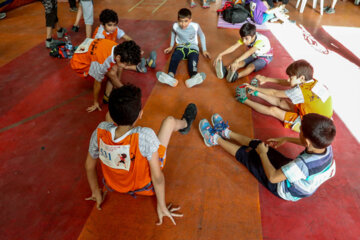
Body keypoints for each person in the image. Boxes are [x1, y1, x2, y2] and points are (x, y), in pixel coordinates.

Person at [85, 84, 198, 224]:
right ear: (140, 114)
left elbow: (89, 165)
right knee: (169, 122)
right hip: (145, 187)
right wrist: (161, 206)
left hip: (114, 185)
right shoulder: (145, 136)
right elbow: (157, 178)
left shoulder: (100, 131)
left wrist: (96, 190)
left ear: (112, 114)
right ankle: (185, 123)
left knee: (108, 124)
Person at [199, 112, 336, 201]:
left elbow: (273, 177)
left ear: (307, 141)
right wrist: (286, 139)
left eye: (300, 132)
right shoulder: (325, 146)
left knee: (248, 155)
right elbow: (306, 143)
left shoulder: (301, 165)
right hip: (296, 174)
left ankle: (214, 139)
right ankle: (227, 133)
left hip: (284, 188)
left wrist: (263, 154)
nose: (298, 132)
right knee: (259, 144)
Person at [235, 59, 333, 132]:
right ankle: (255, 93)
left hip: (315, 127)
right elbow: (288, 83)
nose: (288, 79)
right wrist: (266, 79)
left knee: (273, 110)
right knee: (281, 102)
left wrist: (255, 87)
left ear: (301, 78)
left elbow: (275, 93)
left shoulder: (301, 91)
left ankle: (243, 99)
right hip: (316, 115)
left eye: (290, 77)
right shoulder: (311, 82)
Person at [70, 39, 141, 112]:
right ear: (118, 57)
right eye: (126, 64)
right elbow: (97, 84)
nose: (125, 67)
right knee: (111, 72)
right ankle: (124, 92)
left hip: (88, 52)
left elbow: (119, 65)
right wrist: (95, 102)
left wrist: (117, 81)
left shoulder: (117, 47)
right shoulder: (102, 63)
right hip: (80, 65)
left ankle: (117, 90)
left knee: (116, 68)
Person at [156, 8, 211, 88]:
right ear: (178, 20)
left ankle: (193, 77)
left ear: (190, 20)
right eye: (181, 21)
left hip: (193, 48)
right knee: (174, 57)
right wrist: (171, 46)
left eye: (186, 21)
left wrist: (204, 50)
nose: (183, 24)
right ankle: (170, 76)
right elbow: (173, 33)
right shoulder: (175, 26)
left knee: (193, 59)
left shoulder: (195, 26)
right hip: (180, 47)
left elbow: (202, 35)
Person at [92, 9, 157, 73]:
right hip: (101, 57)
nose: (113, 28)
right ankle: (142, 64)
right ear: (103, 25)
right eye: (110, 25)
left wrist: (135, 49)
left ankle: (145, 63)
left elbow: (127, 38)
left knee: (128, 52)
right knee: (122, 60)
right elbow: (99, 54)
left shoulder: (115, 29)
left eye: (114, 25)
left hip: (112, 51)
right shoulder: (99, 36)